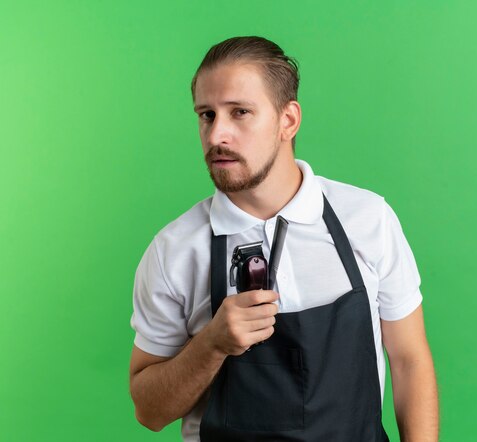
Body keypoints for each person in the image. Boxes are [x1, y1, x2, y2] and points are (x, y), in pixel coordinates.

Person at [129, 36, 439, 442]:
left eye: (240, 112)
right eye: (206, 115)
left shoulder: (366, 218)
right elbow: (149, 412)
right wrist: (212, 344)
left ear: (288, 120)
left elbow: (408, 361)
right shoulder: (174, 250)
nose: (217, 135)